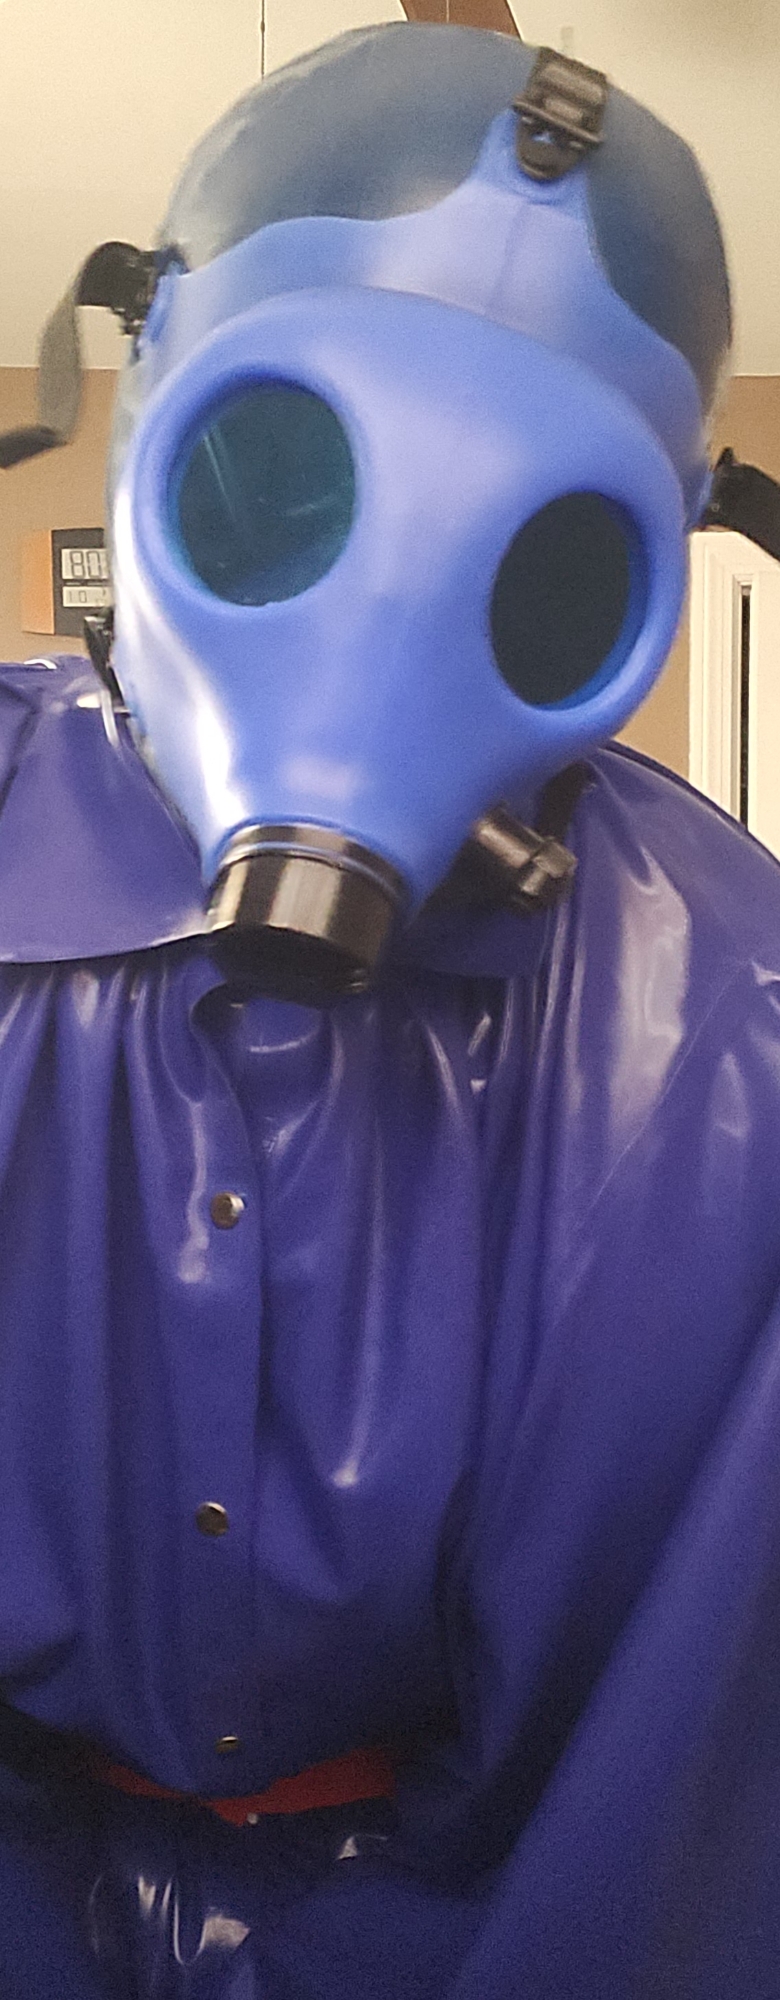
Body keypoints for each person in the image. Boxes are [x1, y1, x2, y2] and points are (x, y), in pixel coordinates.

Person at [0, 23, 777, 1998]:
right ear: (148, 394)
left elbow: (681, 1761)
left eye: (537, 548)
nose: (381, 617)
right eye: (292, 473)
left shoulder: (726, 1008)